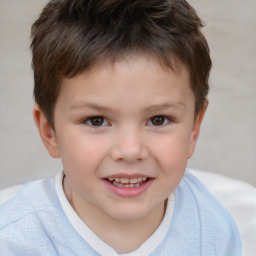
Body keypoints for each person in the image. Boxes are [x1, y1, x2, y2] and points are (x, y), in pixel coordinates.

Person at [0, 0, 242, 255]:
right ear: (50, 132)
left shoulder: (213, 231)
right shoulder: (14, 242)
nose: (130, 150)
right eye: (96, 120)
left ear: (194, 128)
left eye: (158, 120)